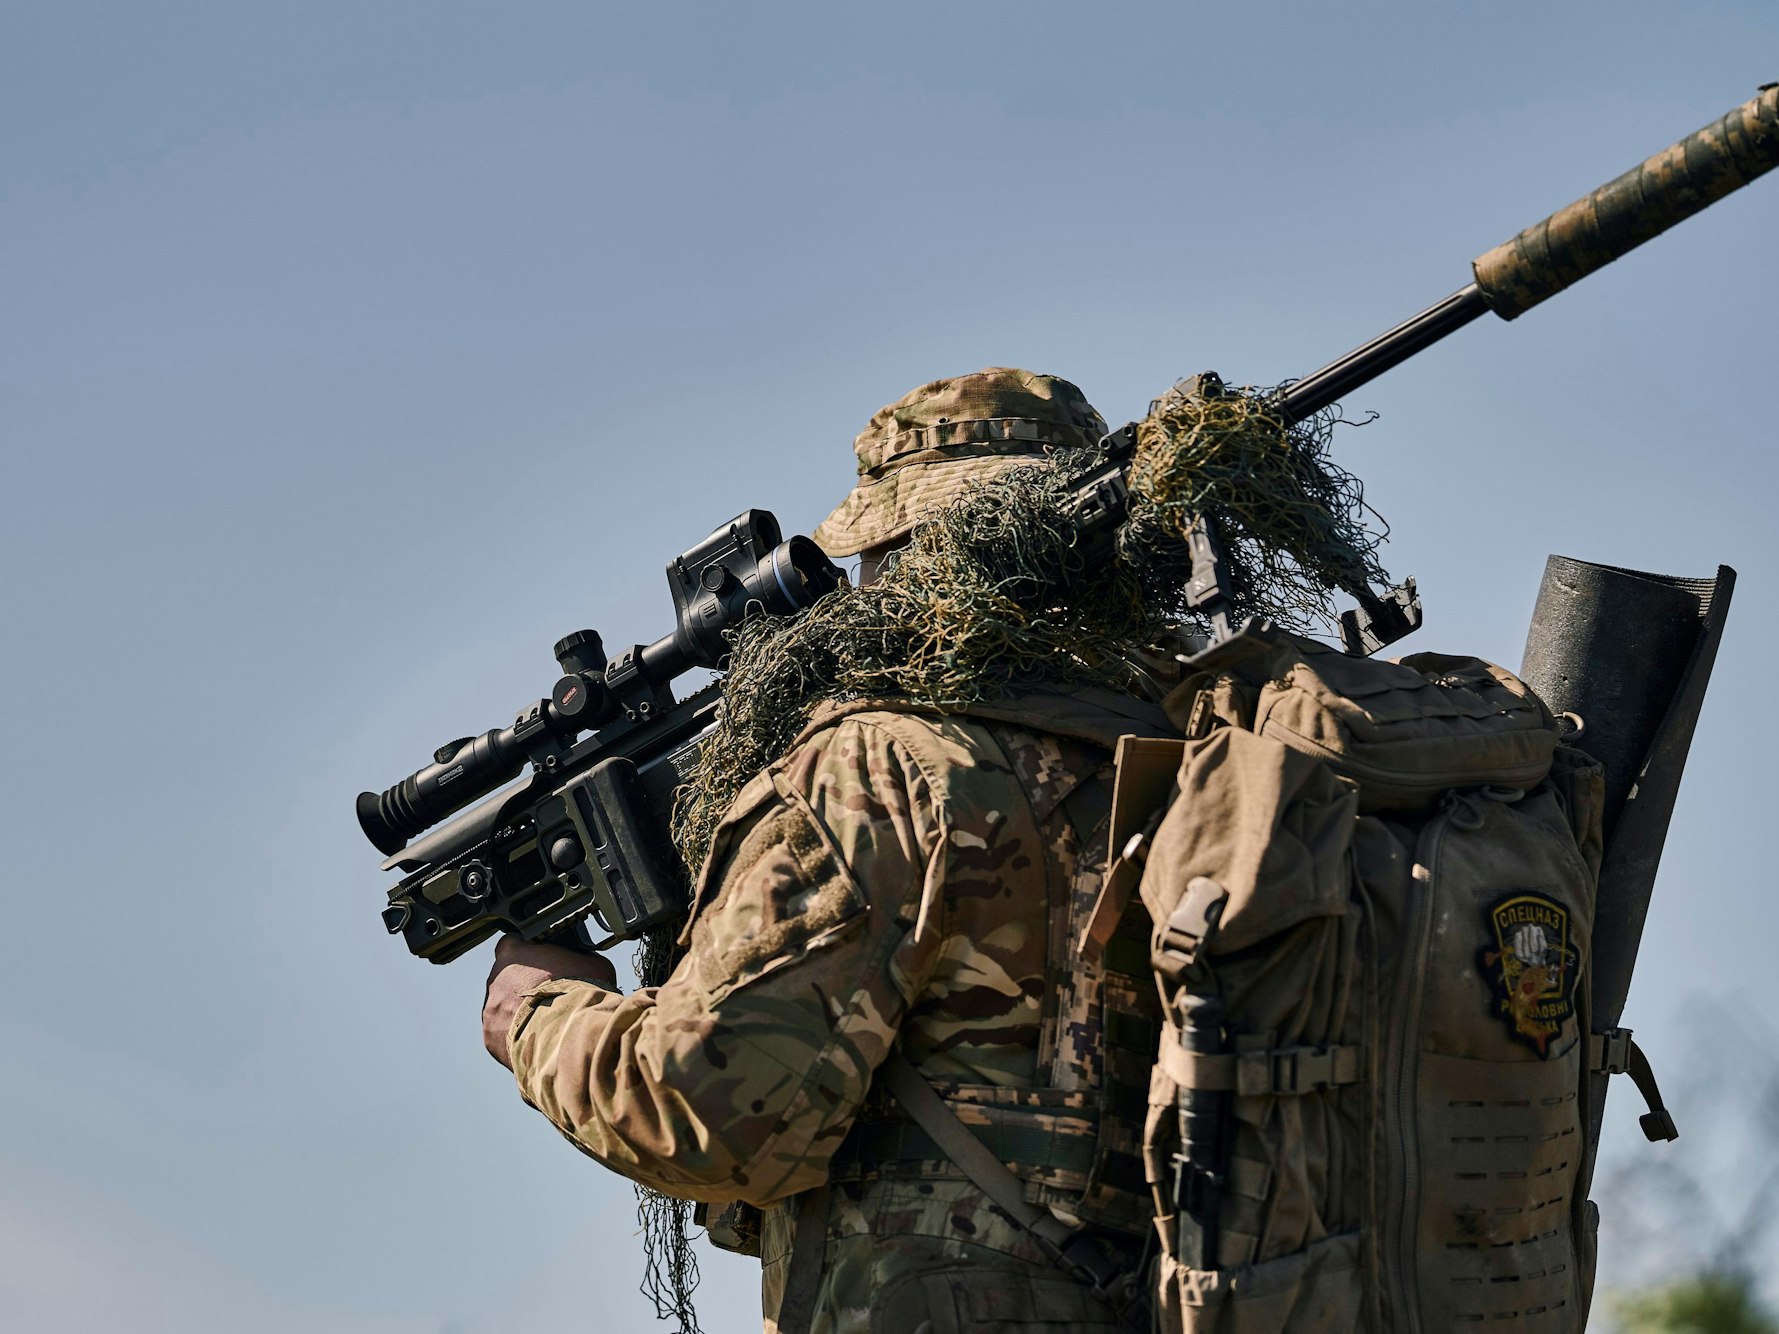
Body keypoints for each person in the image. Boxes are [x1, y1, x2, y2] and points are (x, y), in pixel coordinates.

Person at [482, 368, 1173, 1333]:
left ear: (908, 547)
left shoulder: (883, 766)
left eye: (875, 556)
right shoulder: (1201, 745)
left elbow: (701, 1112)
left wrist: (534, 1013)